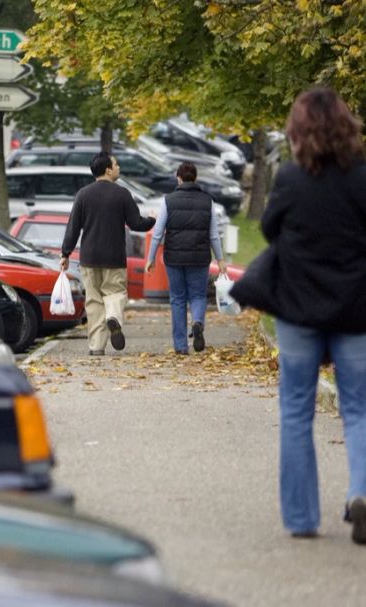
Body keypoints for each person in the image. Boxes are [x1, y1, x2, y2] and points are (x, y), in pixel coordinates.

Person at [232, 87, 366, 543]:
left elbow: (269, 229)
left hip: (298, 309)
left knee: (295, 411)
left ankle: (302, 518)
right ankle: (360, 493)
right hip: (357, 310)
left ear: (297, 131)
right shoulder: (363, 177)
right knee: (360, 410)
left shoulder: (290, 178)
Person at [60, 152, 155, 355]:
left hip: (89, 257)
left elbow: (73, 227)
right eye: (116, 164)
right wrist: (152, 220)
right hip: (114, 257)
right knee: (115, 292)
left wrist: (65, 253)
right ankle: (113, 317)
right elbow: (136, 223)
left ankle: (96, 347)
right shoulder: (122, 194)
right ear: (108, 170)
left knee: (93, 301)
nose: (119, 167)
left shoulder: (83, 194)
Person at [144, 161, 227, 354]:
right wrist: (221, 259)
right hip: (199, 257)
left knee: (178, 299)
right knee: (198, 295)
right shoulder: (208, 201)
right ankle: (197, 322)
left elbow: (158, 232)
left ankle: (181, 346)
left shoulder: (168, 200)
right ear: (195, 178)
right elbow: (214, 234)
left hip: (174, 258)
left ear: (178, 178)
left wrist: (151, 257)